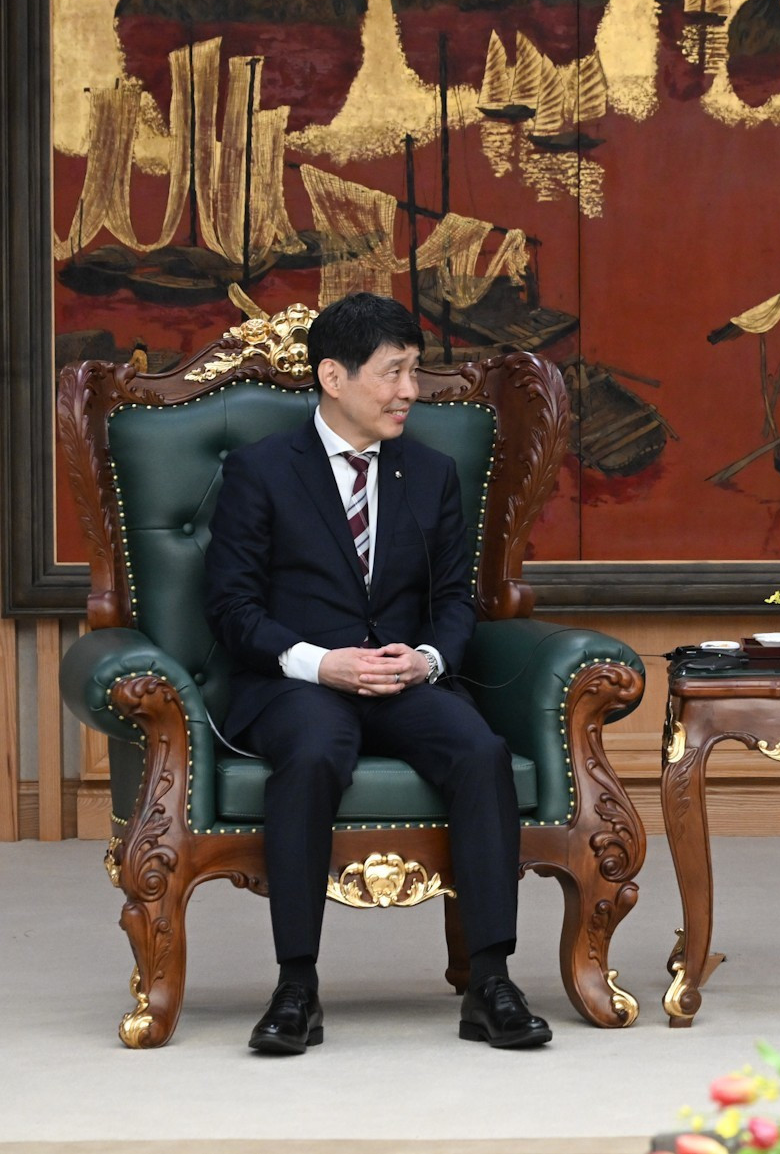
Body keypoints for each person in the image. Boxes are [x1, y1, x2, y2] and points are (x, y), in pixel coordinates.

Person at [203, 292, 550, 1055]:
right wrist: (319, 662)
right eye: (393, 373)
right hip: (299, 681)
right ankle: (297, 985)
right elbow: (230, 606)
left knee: (480, 750)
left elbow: (456, 598)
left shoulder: (428, 472)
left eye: (415, 372)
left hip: (402, 676)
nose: (409, 391)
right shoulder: (261, 471)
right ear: (333, 375)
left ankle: (490, 981)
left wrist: (426, 658)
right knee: (313, 751)